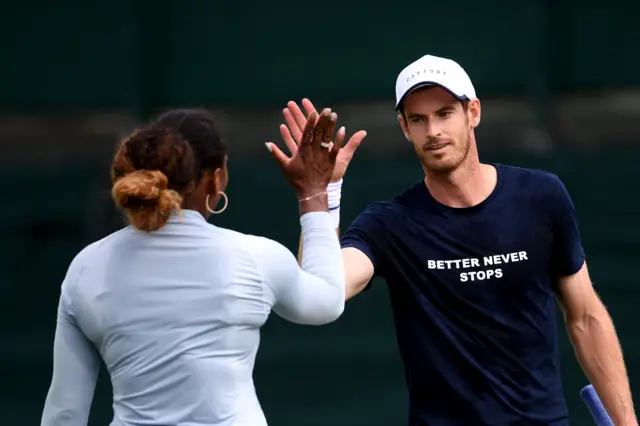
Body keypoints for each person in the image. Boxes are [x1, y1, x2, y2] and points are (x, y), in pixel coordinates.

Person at [275, 55, 637, 426]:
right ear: (404, 127)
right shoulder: (389, 223)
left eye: (445, 113)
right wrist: (322, 194)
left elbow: (586, 317)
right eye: (418, 119)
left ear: (473, 112)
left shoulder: (542, 196)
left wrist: (627, 423)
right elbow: (321, 289)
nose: (433, 130)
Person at [41, 107, 348, 426]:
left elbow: (65, 413)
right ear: (217, 178)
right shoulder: (254, 257)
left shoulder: (86, 267)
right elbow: (326, 302)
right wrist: (315, 194)